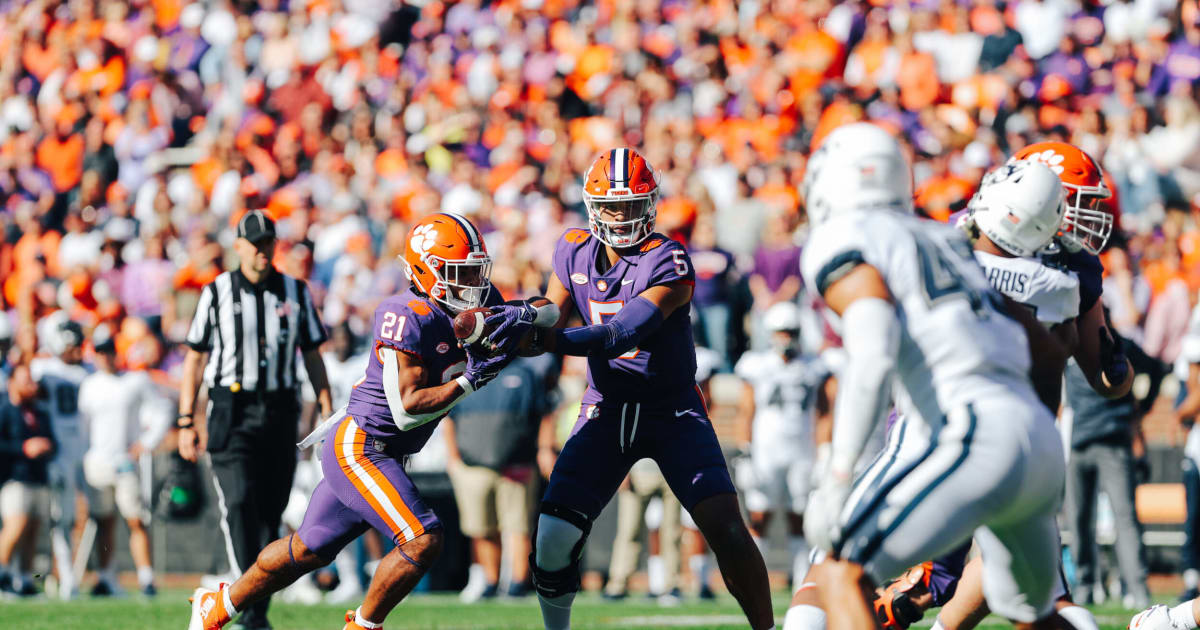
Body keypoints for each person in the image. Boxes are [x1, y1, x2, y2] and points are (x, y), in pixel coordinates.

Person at [186, 212, 533, 630]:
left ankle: (219, 604)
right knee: (423, 537)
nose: (471, 283)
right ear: (425, 271)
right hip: (362, 446)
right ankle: (363, 626)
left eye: (475, 271)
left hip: (382, 450)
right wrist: (471, 380)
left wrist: (531, 314)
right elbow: (406, 409)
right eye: (459, 272)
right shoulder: (405, 312)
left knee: (309, 549)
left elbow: (543, 324)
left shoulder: (473, 302)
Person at [791, 123, 1069, 630]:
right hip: (1036, 440)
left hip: (972, 433)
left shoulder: (844, 235)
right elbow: (1047, 352)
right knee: (1038, 616)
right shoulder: (945, 237)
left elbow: (872, 351)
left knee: (838, 571)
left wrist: (838, 473)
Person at [528, 148, 774, 630]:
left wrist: (542, 339)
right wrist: (519, 317)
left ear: (652, 202)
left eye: (630, 204)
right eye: (611, 205)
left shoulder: (669, 258)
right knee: (553, 536)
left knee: (725, 527)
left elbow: (620, 332)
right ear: (592, 204)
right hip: (606, 408)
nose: (620, 216)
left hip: (672, 412)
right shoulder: (573, 248)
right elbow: (549, 309)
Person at [178, 210, 334, 630]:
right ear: (239, 246)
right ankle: (247, 607)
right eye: (256, 243)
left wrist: (324, 407)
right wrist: (185, 421)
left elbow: (312, 354)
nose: (264, 251)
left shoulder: (294, 291)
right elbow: (194, 359)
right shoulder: (216, 293)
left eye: (269, 242)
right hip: (231, 409)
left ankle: (256, 609)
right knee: (240, 502)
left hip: (280, 409)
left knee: (272, 510)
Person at [732, 301, 832, 591]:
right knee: (759, 515)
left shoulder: (814, 366)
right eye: (781, 331)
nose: (786, 338)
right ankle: (755, 580)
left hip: (802, 451)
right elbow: (745, 410)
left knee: (799, 517)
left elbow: (824, 412)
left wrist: (825, 452)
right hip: (765, 451)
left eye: (791, 331)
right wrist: (745, 452)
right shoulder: (757, 364)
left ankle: (801, 580)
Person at [444, 354, 560, 601]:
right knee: (482, 529)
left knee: (517, 526)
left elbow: (544, 413)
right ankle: (490, 580)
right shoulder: (466, 374)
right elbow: (450, 418)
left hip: (516, 465)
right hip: (472, 465)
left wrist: (544, 449)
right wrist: (453, 458)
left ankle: (518, 583)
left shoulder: (525, 372)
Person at [77, 324, 171, 596]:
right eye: (100, 351)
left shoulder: (135, 381)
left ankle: (146, 577)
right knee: (103, 521)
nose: (105, 356)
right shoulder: (89, 385)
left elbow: (162, 410)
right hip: (97, 462)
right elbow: (83, 428)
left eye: (109, 351)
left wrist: (147, 443)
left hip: (125, 462)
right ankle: (106, 577)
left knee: (135, 519)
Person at [30, 315, 91, 599]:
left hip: (88, 450)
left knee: (100, 514)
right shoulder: (42, 369)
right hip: (59, 453)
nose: (77, 350)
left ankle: (101, 575)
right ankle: (66, 577)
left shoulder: (88, 370)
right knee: (62, 517)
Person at [0, 363, 55, 597]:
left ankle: (25, 579)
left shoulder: (39, 412)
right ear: (12, 382)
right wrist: (23, 448)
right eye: (25, 380)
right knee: (16, 526)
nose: (31, 385)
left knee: (33, 529)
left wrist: (46, 446)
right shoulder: (4, 409)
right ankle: (2, 575)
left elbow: (53, 441)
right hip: (15, 478)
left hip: (37, 477)